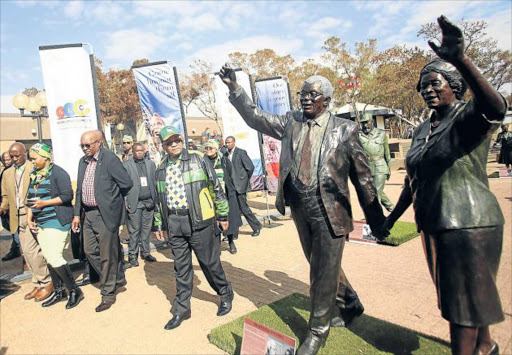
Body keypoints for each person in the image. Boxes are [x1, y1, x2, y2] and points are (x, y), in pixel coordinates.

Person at [220, 65, 387, 355]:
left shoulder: (345, 129)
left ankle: (317, 331)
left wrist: (377, 221)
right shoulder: (291, 122)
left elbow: (363, 178)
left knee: (321, 272)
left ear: (327, 100)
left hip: (331, 209)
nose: (306, 99)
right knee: (319, 262)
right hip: (300, 205)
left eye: (313, 95)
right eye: (303, 94)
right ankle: (351, 302)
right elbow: (255, 117)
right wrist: (236, 89)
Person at [384, 16, 507, 355]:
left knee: (461, 306)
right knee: (467, 298)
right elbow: (414, 181)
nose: (428, 90)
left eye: (436, 82)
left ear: (455, 84)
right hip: (436, 224)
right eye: (423, 85)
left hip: (469, 224)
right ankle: (486, 345)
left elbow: (495, 108)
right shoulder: (423, 129)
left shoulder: (467, 117)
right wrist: (391, 219)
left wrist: (462, 59)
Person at [153, 126, 234, 330]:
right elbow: (158, 200)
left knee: (209, 262)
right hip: (174, 222)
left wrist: (222, 214)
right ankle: (182, 309)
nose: (174, 144)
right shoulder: (160, 169)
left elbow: (216, 187)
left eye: (177, 140)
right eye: (170, 142)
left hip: (199, 221)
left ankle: (225, 293)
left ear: (182, 141)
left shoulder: (198, 159)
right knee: (181, 268)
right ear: (163, 146)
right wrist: (159, 223)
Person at [72, 130, 133, 312]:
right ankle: (115, 276)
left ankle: (108, 293)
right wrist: (76, 214)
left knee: (107, 255)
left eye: (88, 145)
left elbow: (126, 183)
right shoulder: (83, 162)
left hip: (105, 214)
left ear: (99, 142)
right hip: (88, 214)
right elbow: (79, 190)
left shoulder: (110, 159)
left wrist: (111, 203)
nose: (84, 149)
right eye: (82, 145)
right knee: (89, 251)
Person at [25, 143, 84, 309]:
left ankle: (74, 290)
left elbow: (67, 196)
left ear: (45, 157)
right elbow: (30, 197)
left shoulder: (58, 173)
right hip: (40, 221)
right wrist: (30, 218)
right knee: (48, 256)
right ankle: (59, 292)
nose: (32, 162)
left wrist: (45, 202)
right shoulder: (35, 174)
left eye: (34, 159)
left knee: (54, 256)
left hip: (57, 219)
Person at [0, 143, 52, 301]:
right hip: (16, 218)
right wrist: (2, 208)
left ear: (25, 153)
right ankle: (37, 282)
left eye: (17, 156)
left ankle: (47, 281)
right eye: (12, 156)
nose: (14, 159)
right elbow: (6, 198)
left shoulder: (34, 168)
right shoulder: (8, 173)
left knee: (33, 251)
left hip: (33, 216)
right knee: (26, 253)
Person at [204, 139, 241, 254]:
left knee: (227, 220)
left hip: (225, 195)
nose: (208, 150)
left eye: (211, 148)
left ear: (216, 149)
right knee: (214, 223)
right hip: (210, 198)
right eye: (206, 148)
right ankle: (216, 246)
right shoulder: (203, 162)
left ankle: (231, 242)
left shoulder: (224, 161)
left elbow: (230, 176)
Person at [123, 143, 157, 267]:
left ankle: (146, 252)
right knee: (135, 230)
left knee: (146, 230)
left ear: (144, 151)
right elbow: (123, 185)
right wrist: (125, 201)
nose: (139, 153)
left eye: (141, 150)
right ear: (133, 151)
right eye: (137, 151)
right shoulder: (126, 165)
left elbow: (155, 182)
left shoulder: (151, 164)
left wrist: (156, 200)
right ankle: (132, 255)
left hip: (149, 202)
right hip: (135, 202)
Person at [224, 136, 262, 237]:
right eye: (226, 143)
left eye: (229, 142)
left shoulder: (241, 152)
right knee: (233, 210)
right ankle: (234, 233)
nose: (227, 144)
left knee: (244, 208)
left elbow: (250, 167)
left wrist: (243, 180)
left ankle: (256, 226)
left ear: (234, 142)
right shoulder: (225, 154)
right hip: (231, 187)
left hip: (240, 186)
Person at [358, 113, 394, 212]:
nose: (365, 125)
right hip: (367, 168)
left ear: (372, 122)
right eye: (363, 123)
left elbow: (387, 153)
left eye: (367, 122)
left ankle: (376, 217)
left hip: (380, 167)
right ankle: (391, 208)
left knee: (376, 192)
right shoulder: (358, 135)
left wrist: (389, 169)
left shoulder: (381, 134)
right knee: (373, 191)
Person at [1, 151, 21, 261]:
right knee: (9, 227)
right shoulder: (4, 173)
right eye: (5, 160)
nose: (7, 161)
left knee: (18, 233)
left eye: (9, 159)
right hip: (5, 208)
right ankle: (16, 249)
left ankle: (20, 253)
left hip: (15, 209)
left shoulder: (16, 172)